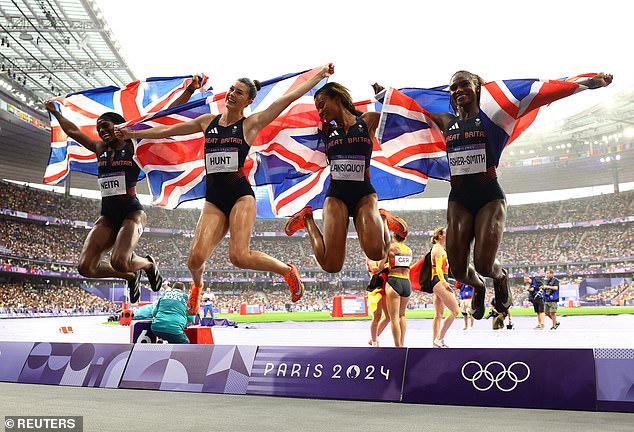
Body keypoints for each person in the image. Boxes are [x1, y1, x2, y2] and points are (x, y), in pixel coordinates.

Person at [117, 64, 336, 304]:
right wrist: (133, 133)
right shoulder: (206, 122)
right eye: (231, 89)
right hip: (214, 200)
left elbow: (288, 98)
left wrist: (319, 75)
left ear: (248, 100)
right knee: (194, 260)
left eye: (239, 92)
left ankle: (287, 270)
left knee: (239, 257)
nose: (232, 94)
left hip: (240, 196)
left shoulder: (250, 124)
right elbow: (168, 130)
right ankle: (197, 288)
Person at [410, 71, 613, 320]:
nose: (458, 90)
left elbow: (540, 93)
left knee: (484, 265)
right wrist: (383, 96)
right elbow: (408, 109)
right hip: (459, 199)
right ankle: (479, 286)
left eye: (464, 85)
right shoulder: (445, 121)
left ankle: (500, 276)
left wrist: (586, 84)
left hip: (489, 197)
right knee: (459, 271)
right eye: (453, 87)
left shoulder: (495, 116)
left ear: (478, 88)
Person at [45, 103, 170, 303]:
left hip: (132, 213)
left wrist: (188, 90)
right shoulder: (99, 147)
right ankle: (130, 275)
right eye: (99, 128)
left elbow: (162, 117)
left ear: (119, 126)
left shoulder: (134, 145)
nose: (102, 131)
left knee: (119, 260)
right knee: (85, 268)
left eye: (106, 126)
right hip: (108, 215)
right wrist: (54, 112)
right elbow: (73, 131)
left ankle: (147, 264)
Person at [284, 82, 408, 273]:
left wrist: (384, 97)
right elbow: (291, 127)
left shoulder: (368, 121)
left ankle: (382, 218)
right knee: (331, 265)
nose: (320, 111)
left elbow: (401, 122)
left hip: (364, 194)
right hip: (337, 195)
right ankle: (307, 219)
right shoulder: (325, 130)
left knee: (378, 253)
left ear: (337, 98)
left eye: (322, 104)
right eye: (317, 107)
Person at [379, 233, 412, 347]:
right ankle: (402, 343)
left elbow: (379, 266)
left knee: (393, 318)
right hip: (406, 282)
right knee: (402, 315)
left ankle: (398, 347)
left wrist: (386, 264)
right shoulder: (409, 250)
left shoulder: (390, 248)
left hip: (394, 280)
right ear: (405, 237)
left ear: (394, 236)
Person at [429, 227, 460, 348]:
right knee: (455, 310)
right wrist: (443, 282)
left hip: (438, 280)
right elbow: (437, 268)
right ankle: (439, 338)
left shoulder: (441, 249)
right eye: (447, 233)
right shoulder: (437, 249)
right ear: (440, 236)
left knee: (438, 314)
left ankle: (435, 342)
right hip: (439, 280)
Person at [366, 257, 390, 347]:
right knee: (377, 316)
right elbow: (375, 269)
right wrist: (385, 261)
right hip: (376, 288)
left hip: (386, 287)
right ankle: (374, 342)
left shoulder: (385, 256)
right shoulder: (371, 257)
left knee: (389, 317)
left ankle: (374, 338)